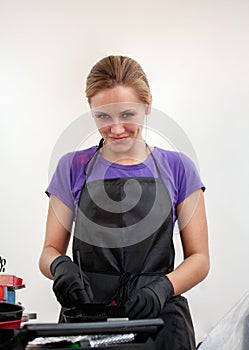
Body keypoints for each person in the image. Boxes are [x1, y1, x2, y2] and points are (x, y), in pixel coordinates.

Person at [39, 55, 210, 349]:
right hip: (87, 320)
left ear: (147, 105)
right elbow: (49, 251)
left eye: (128, 114)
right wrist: (60, 268)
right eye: (103, 116)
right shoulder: (72, 167)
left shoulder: (179, 167)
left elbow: (200, 259)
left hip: (158, 322)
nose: (116, 128)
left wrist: (163, 287)